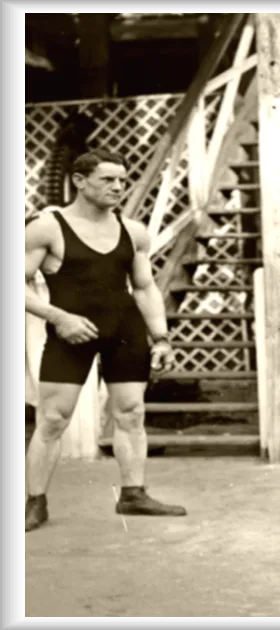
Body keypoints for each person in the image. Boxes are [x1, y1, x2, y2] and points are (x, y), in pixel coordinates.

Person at [24, 150, 185, 532]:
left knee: (131, 413)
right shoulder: (47, 228)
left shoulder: (133, 231)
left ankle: (133, 494)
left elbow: (144, 288)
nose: (118, 187)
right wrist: (59, 318)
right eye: (108, 179)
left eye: (122, 180)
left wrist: (161, 338)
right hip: (70, 332)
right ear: (80, 181)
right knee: (53, 418)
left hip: (124, 332)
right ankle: (34, 502)